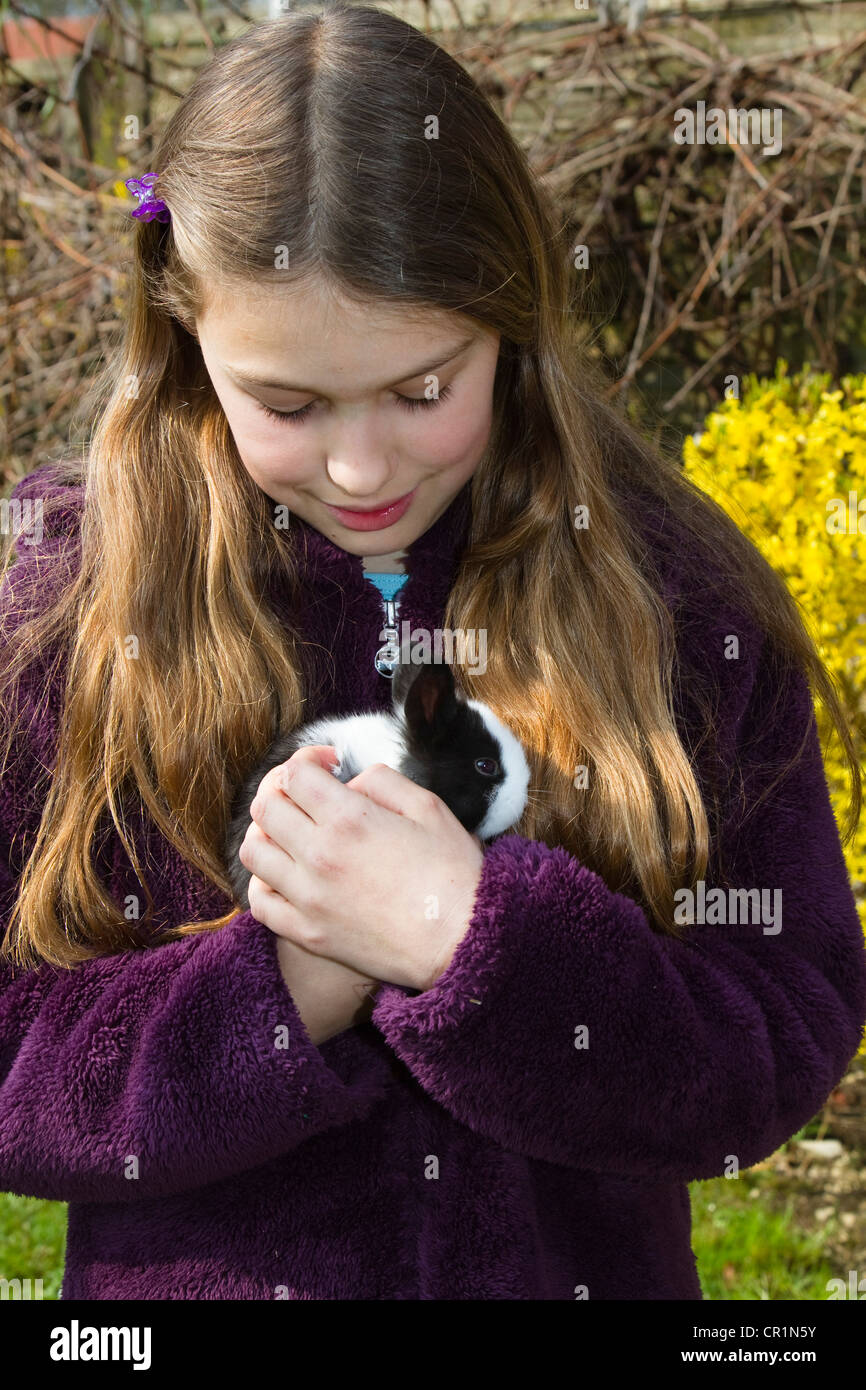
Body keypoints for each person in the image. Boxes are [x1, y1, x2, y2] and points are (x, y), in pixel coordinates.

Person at [0, 2, 863, 1302]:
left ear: (514, 322)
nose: (360, 468)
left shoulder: (671, 592)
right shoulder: (64, 603)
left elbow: (777, 1031)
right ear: (183, 334)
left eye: (422, 389)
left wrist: (477, 946)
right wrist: (288, 979)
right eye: (286, 403)